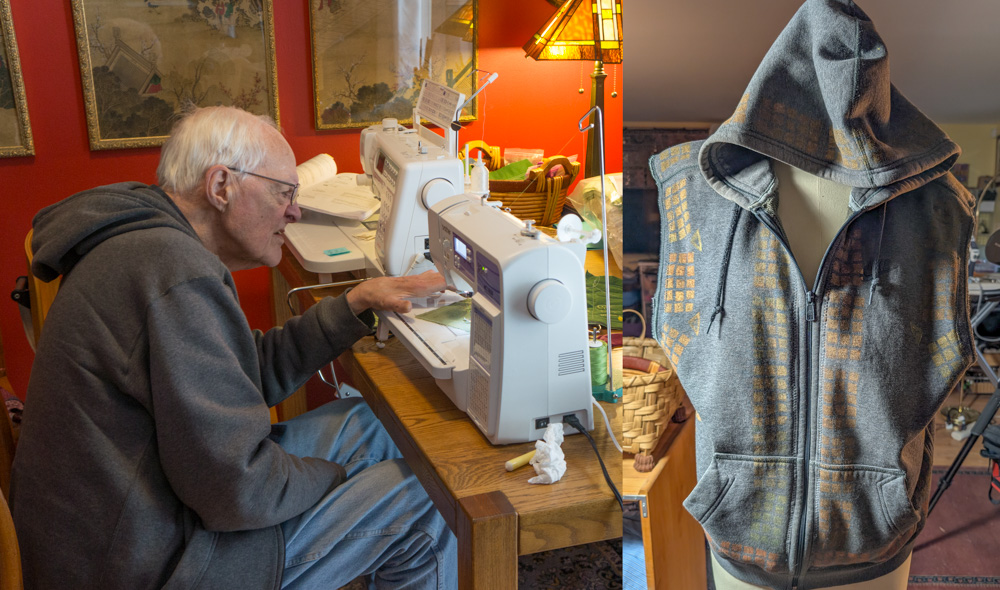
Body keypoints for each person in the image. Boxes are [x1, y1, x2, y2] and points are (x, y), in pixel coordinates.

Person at [10, 105, 457, 590]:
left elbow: (234, 375)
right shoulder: (174, 273)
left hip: (140, 515)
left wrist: (354, 303)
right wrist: (335, 478)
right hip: (148, 562)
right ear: (221, 185)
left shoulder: (144, 238)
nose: (295, 210)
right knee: (427, 500)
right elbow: (238, 491)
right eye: (283, 192)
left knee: (373, 424)